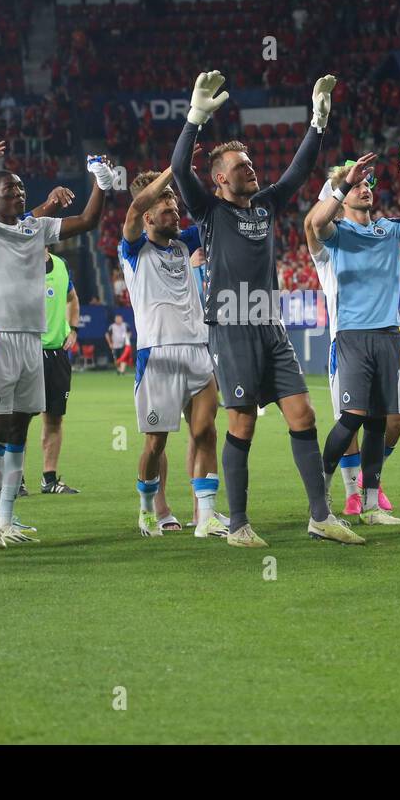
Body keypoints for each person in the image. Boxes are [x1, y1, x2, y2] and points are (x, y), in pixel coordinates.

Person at [170, 69, 361, 546]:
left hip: (268, 325)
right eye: (240, 166)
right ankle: (237, 524)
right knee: (243, 421)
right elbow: (177, 171)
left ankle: (321, 516)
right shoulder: (210, 211)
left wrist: (318, 122)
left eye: (251, 163)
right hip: (231, 326)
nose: (250, 169)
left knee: (304, 415)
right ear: (218, 179)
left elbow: (298, 171)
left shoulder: (265, 205)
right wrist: (194, 117)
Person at [0, 167, 104, 547]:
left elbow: (87, 221)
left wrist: (101, 182)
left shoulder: (34, 229)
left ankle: (6, 517)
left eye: (20, 186)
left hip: (31, 341)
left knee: (19, 429)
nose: (18, 192)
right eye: (9, 189)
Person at [306, 153, 400, 527]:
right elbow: (315, 222)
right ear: (342, 196)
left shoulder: (387, 228)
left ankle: (369, 505)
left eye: (367, 184)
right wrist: (344, 181)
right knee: (351, 418)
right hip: (351, 336)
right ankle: (322, 493)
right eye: (358, 187)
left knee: (379, 422)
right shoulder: (337, 234)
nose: (365, 189)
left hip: (386, 335)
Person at [119, 170, 225, 539]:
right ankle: (151, 507)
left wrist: (194, 179)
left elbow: (213, 213)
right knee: (156, 442)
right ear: (149, 215)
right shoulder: (133, 249)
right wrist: (172, 170)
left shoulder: (185, 242)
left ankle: (206, 514)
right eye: (166, 206)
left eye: (175, 204)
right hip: (157, 354)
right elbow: (133, 207)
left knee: (206, 431)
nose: (175, 211)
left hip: (198, 349)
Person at [37, 247, 81, 495]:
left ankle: (49, 479)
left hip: (57, 355)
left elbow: (72, 298)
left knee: (54, 418)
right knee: (17, 420)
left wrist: (74, 329)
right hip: (28, 352)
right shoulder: (17, 259)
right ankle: (15, 481)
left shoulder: (60, 264)